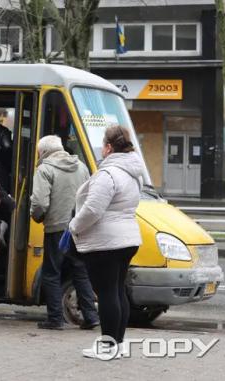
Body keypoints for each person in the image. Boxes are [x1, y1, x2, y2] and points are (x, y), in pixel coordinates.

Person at [68, 126, 143, 359]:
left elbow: (92, 209)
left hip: (106, 242)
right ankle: (117, 344)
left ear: (109, 147)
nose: (101, 149)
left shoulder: (108, 174)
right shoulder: (133, 173)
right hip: (127, 238)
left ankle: (108, 346)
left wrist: (73, 226)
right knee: (117, 291)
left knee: (108, 293)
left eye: (103, 144)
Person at [30, 135, 98, 330]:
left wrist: (36, 216)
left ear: (43, 152)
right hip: (79, 227)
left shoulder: (44, 169)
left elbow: (40, 203)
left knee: (52, 273)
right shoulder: (82, 167)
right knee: (80, 271)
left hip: (56, 229)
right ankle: (91, 316)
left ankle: (55, 319)